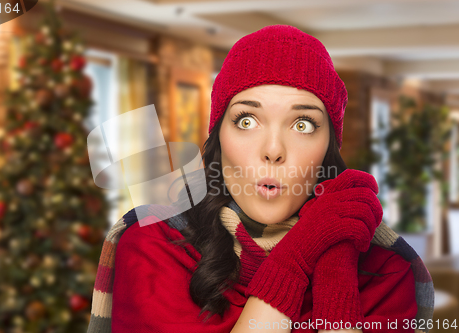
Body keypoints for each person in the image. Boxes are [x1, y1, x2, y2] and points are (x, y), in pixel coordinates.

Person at [87, 25, 434, 333]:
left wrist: (335, 264)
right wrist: (298, 256)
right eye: (247, 120)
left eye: (303, 124)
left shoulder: (386, 271)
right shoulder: (153, 244)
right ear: (218, 139)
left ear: (328, 147)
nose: (272, 150)